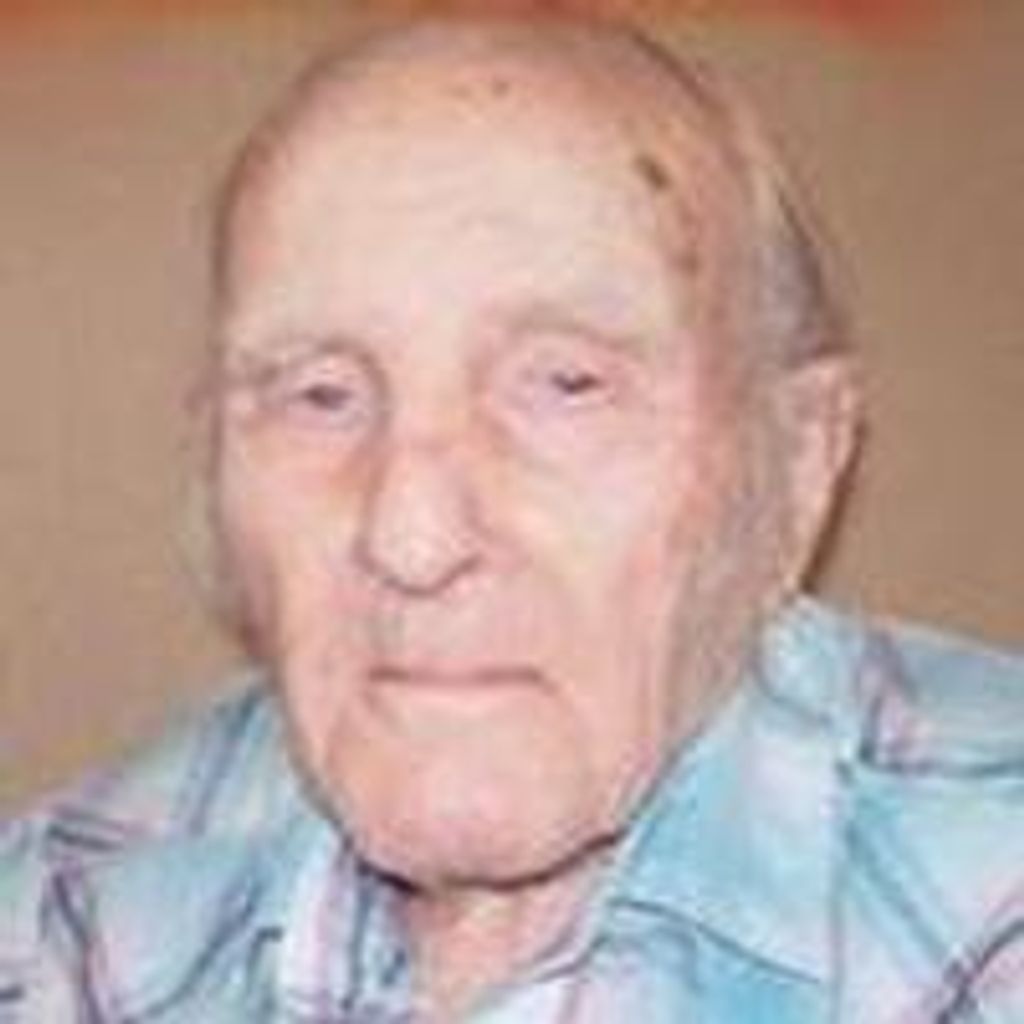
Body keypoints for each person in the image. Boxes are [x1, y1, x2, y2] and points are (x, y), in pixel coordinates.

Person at [2, 16, 1022, 1023]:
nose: (412, 538)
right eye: (320, 395)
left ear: (797, 466)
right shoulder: (64, 914)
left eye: (566, 384)